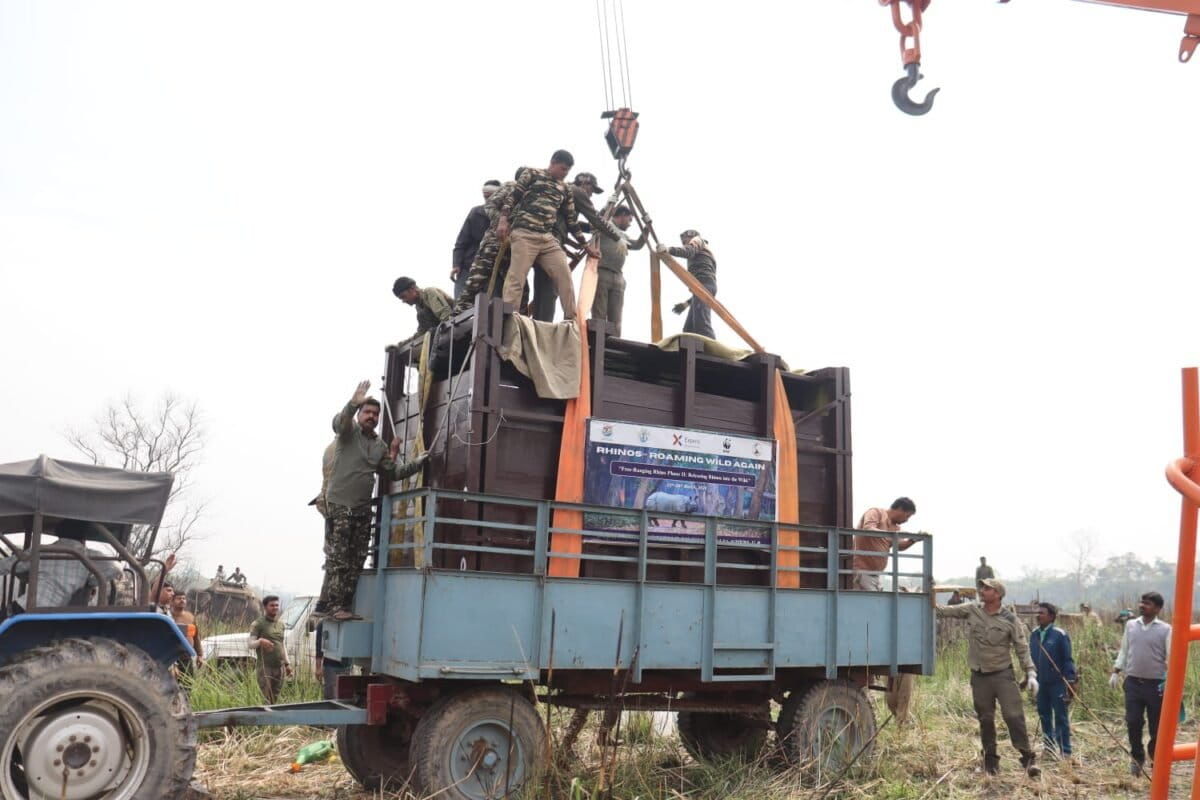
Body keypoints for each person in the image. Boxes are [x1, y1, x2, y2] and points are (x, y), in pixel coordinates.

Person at [319, 380, 429, 620]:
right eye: (367, 412)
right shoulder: (348, 433)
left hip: (361, 509)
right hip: (340, 506)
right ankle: (332, 606)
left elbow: (392, 472)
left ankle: (344, 607)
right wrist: (352, 403)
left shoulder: (379, 445)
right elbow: (339, 423)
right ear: (359, 415)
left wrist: (417, 463)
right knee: (339, 559)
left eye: (375, 414)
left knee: (357, 559)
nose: (371, 416)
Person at [936, 578, 1041, 777]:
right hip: (980, 676)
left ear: (997, 594)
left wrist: (1030, 672)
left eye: (987, 588)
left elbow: (1021, 646)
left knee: (1013, 716)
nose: (982, 591)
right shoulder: (972, 609)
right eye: (982, 587)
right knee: (985, 719)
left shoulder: (1010, 619)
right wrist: (930, 595)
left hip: (1003, 675)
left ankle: (1028, 759)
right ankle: (990, 763)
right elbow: (941, 611)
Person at [499, 150, 598, 323]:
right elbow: (512, 198)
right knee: (517, 276)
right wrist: (503, 221)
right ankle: (508, 319)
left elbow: (571, 221)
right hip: (524, 233)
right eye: (563, 169)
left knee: (564, 275)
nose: (565, 173)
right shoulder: (532, 174)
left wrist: (585, 246)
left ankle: (571, 319)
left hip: (546, 238)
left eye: (568, 170)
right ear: (553, 163)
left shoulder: (565, 188)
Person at [1110, 591, 1171, 775]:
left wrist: (1170, 681)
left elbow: (1171, 657)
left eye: (1148, 603)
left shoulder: (1166, 629)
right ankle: (1137, 758)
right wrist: (1116, 671)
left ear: (1158, 608)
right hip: (1133, 683)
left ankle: (1156, 757)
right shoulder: (1131, 625)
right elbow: (1124, 650)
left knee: (1156, 726)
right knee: (1133, 721)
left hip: (1156, 685)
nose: (1142, 606)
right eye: (1142, 602)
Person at [1030, 602, 1077, 761]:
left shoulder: (1059, 635)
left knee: (1061, 717)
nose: (1038, 616)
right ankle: (1049, 748)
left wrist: (1070, 681)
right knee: (1044, 715)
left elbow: (1067, 660)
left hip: (1058, 683)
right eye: (1037, 613)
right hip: (1040, 683)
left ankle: (1065, 752)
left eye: (1042, 613)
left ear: (1051, 616)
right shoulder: (1034, 634)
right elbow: (1030, 659)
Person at [591, 204, 647, 337]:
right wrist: (608, 206)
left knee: (616, 318)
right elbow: (596, 220)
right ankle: (598, 342)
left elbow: (637, 245)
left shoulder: (623, 236)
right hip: (602, 273)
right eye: (629, 220)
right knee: (599, 314)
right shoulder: (605, 225)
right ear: (622, 216)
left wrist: (647, 229)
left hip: (618, 276)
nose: (630, 224)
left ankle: (613, 345)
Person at [656, 229, 718, 338]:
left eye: (685, 241)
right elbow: (703, 288)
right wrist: (686, 304)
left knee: (701, 324)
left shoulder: (698, 240)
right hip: (703, 287)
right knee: (689, 329)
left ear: (691, 236)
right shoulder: (701, 251)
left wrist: (668, 249)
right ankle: (691, 348)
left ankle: (712, 348)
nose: (685, 244)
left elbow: (688, 251)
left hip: (705, 286)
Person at [851, 497, 918, 591]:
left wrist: (912, 540)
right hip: (862, 571)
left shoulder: (895, 528)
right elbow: (868, 528)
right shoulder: (876, 512)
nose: (906, 520)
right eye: (907, 516)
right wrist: (891, 535)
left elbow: (899, 546)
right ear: (900, 509)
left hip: (875, 574)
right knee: (871, 599)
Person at [451, 180, 502, 298]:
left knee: (494, 305)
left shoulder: (506, 216)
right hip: (469, 266)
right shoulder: (476, 212)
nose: (488, 200)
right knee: (462, 302)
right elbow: (461, 242)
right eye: (485, 197)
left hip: (495, 269)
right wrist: (456, 264)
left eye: (491, 196)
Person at [249, 595, 292, 704]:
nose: (275, 607)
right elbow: (250, 644)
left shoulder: (281, 625)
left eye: (277, 605)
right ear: (265, 607)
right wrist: (260, 641)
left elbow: (282, 645)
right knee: (266, 699)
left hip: (280, 667)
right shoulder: (258, 624)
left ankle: (273, 715)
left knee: (275, 699)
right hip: (265, 668)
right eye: (272, 605)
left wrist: (287, 664)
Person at [392, 277, 452, 342]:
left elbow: (446, 315)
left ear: (412, 288)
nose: (403, 301)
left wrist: (436, 331)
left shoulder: (429, 293)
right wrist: (402, 344)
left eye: (403, 296)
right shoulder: (419, 307)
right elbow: (422, 331)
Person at [170, 592, 204, 669]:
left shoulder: (190, 617)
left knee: (187, 675)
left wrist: (200, 655)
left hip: (186, 655)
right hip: (171, 655)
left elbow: (196, 636)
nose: (182, 600)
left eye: (184, 598)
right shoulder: (168, 615)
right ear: (172, 601)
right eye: (179, 598)